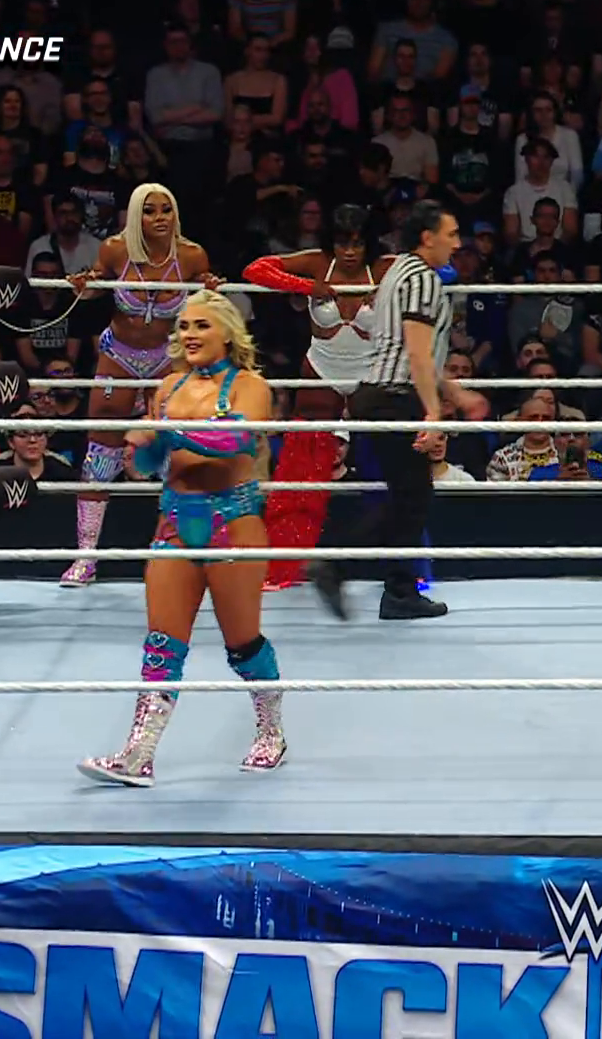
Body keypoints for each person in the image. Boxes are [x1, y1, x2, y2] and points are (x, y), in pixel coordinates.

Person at [78, 290, 285, 786]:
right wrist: (140, 450)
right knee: (161, 644)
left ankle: (271, 732)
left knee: (243, 644)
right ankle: (139, 754)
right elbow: (156, 461)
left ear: (228, 334)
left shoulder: (251, 386)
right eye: (184, 326)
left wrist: (168, 432)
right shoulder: (168, 387)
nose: (189, 334)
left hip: (232, 522)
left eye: (201, 325)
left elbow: (238, 439)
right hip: (174, 521)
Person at [306, 200, 489, 621]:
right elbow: (418, 355)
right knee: (410, 496)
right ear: (427, 237)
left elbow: (412, 351)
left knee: (410, 495)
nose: (457, 243)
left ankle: (394, 588)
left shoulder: (397, 272)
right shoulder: (422, 278)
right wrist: (433, 415)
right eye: (450, 234)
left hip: (379, 393)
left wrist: (458, 395)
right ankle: (340, 566)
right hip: (395, 396)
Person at [60, 183, 223, 588]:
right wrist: (85, 284)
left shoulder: (191, 255)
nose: (159, 217)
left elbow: (205, 303)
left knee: (176, 453)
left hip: (167, 358)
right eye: (149, 211)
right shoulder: (116, 249)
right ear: (136, 215)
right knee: (100, 453)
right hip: (119, 355)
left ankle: (178, 553)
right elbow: (95, 282)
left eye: (166, 209)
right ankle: (85, 557)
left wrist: (209, 289)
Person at [241, 204, 380, 590]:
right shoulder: (319, 262)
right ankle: (282, 566)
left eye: (357, 243)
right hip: (321, 371)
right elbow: (255, 270)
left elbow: (440, 271)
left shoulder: (384, 267)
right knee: (300, 472)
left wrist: (388, 291)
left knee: (391, 466)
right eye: (342, 242)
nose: (349, 251)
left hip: (371, 375)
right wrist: (306, 287)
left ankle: (402, 571)